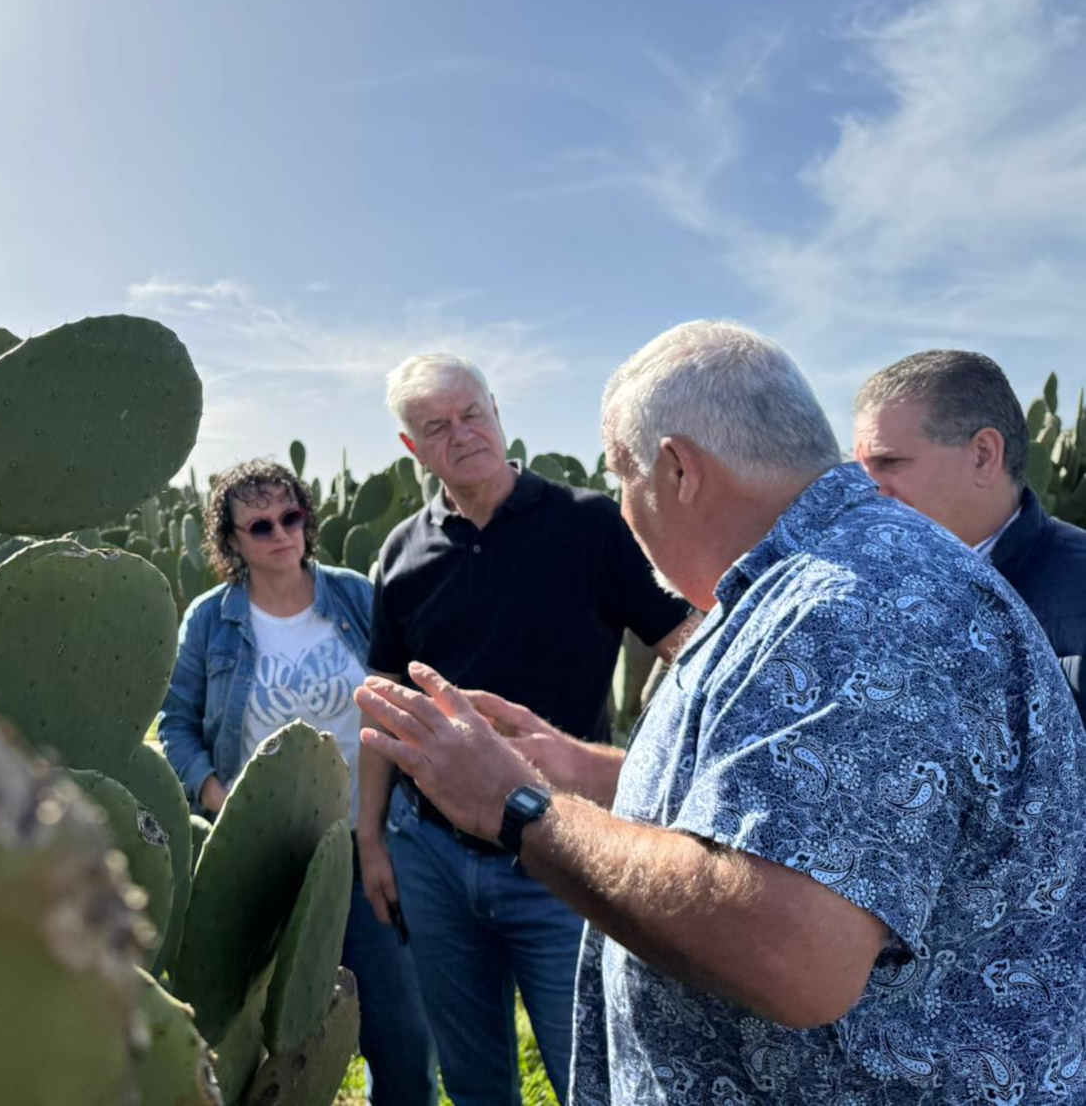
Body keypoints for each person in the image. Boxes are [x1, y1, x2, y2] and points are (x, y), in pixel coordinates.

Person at [356, 322, 1086, 1105]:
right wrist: (584, 771)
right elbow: (774, 809)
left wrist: (519, 807)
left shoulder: (856, 610)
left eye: (622, 476)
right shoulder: (803, 587)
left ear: (677, 470)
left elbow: (793, 951)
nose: (624, 508)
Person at [359, 354, 699, 1106]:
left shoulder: (587, 524)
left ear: (497, 412)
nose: (463, 434)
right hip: (434, 858)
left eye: (471, 412)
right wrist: (372, 836)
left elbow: (687, 643)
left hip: (560, 849)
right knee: (473, 1077)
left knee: (593, 1072)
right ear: (414, 449)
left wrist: (639, 768)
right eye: (437, 427)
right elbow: (382, 704)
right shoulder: (402, 552)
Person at [157, 458, 437, 1106]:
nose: (282, 533)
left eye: (292, 517)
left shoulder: (356, 597)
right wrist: (218, 798)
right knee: (254, 1034)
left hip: (364, 842)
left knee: (399, 1029)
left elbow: (404, 697)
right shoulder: (210, 621)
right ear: (231, 543)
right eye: (260, 526)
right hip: (259, 851)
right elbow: (175, 723)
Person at [854, 349, 1086, 722]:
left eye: (889, 462)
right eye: (860, 467)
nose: (867, 488)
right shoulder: (854, 597)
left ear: (983, 455)